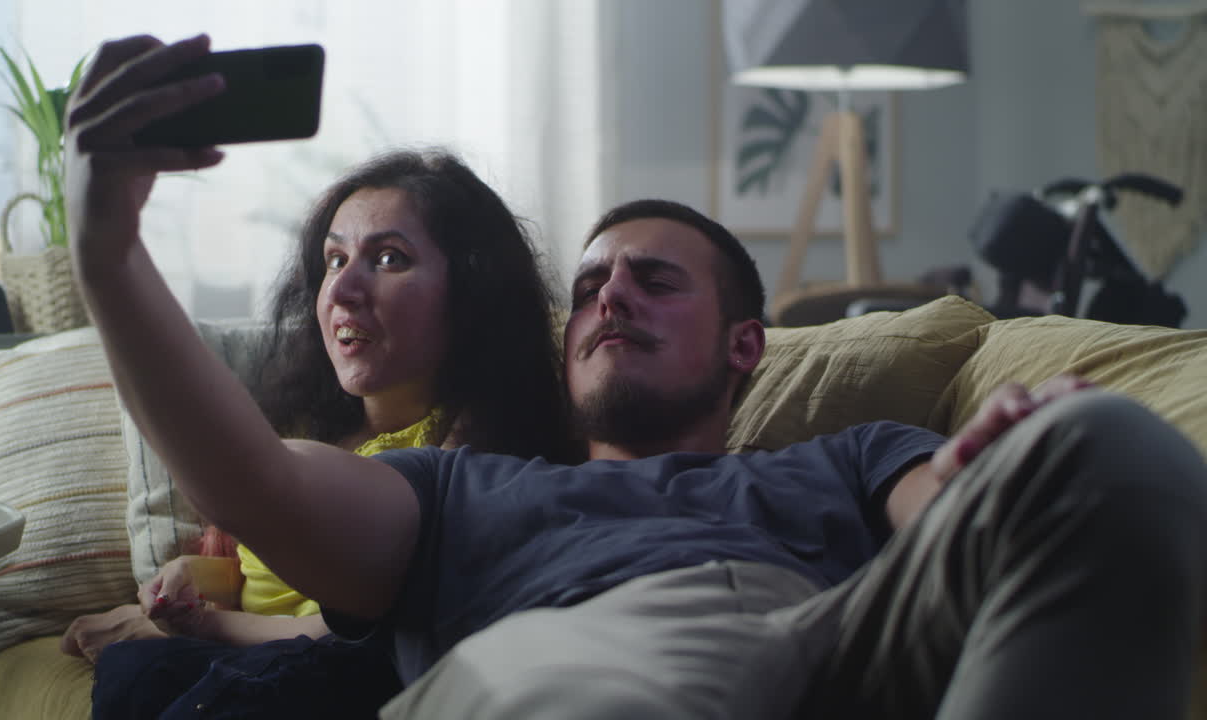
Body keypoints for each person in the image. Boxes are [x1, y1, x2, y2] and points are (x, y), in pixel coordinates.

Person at [66, 34, 1207, 719]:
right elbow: (258, 484)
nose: (610, 297)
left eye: (655, 281)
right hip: (592, 649)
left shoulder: (846, 456)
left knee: (1107, 447)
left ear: (744, 347)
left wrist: (1000, 462)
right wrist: (107, 250)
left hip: (849, 632)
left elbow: (951, 512)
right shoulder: (459, 489)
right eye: (592, 285)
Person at [59, 46, 578, 716]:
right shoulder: (312, 424)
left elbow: (365, 636)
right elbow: (265, 572)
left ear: (473, 293)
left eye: (389, 259)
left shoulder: (467, 451)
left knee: (145, 666)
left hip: (328, 673)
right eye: (334, 260)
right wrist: (193, 582)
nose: (343, 290)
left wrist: (207, 627)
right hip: (242, 656)